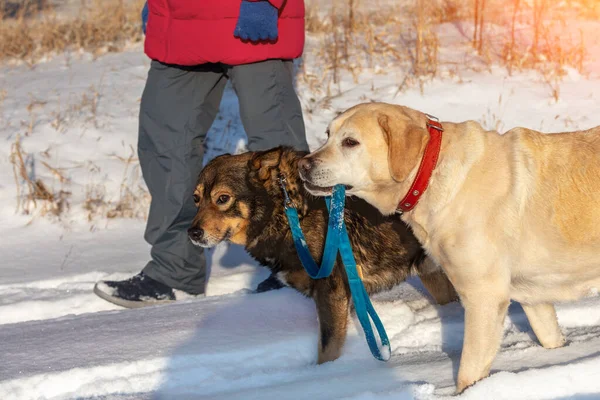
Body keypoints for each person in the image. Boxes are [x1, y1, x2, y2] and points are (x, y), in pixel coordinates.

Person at [94, 0, 308, 308]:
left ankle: (297, 263)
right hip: (180, 26)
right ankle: (174, 272)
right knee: (165, 148)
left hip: (248, 15)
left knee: (276, 151)